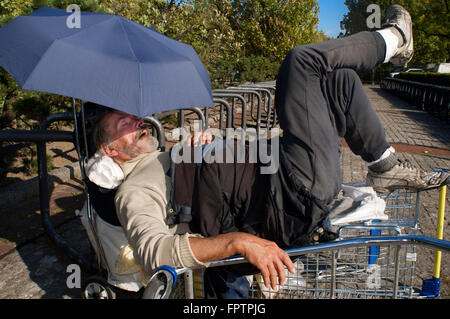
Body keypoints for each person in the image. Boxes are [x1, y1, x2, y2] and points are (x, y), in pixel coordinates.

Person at [91, 5, 449, 298]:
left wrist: (203, 146)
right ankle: (395, 38)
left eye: (134, 116)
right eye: (123, 122)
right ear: (110, 150)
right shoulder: (134, 188)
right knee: (302, 63)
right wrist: (239, 242)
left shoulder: (164, 157)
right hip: (290, 193)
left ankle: (382, 165)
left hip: (281, 167)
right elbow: (154, 252)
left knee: (338, 78)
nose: (137, 120)